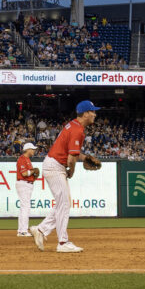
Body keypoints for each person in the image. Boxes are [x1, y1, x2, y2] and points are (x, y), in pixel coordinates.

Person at [29, 100, 100, 253]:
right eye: (93, 111)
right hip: (55, 166)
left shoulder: (73, 125)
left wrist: (84, 158)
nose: (95, 114)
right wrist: (72, 171)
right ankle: (62, 242)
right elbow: (70, 158)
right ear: (86, 113)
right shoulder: (78, 130)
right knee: (64, 204)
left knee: (63, 203)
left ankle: (41, 230)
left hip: (54, 165)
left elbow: (72, 153)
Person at [15, 142, 40, 236]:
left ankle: (21, 230)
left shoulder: (27, 159)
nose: (34, 151)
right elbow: (24, 174)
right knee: (25, 207)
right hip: (23, 183)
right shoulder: (22, 159)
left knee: (24, 207)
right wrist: (33, 171)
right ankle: (23, 231)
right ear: (28, 149)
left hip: (27, 184)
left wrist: (33, 176)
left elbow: (29, 174)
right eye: (33, 149)